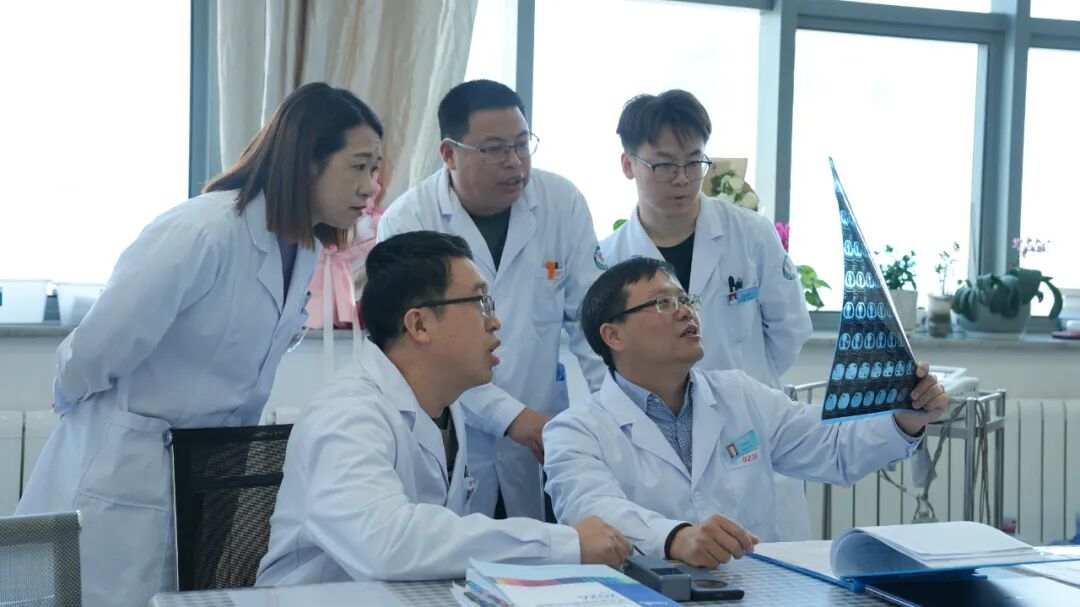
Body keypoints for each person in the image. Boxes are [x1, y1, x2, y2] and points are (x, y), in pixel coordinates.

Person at [16, 83, 384, 607]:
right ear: (306, 161)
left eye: (375, 169)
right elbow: (96, 349)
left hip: (206, 472)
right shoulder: (201, 231)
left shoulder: (302, 249)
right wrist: (89, 413)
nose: (371, 187)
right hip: (123, 470)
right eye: (360, 166)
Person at [257, 231, 630, 585]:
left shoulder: (446, 408)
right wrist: (561, 543)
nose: (495, 321)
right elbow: (387, 545)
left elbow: (438, 546)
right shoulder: (348, 412)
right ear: (419, 324)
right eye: (481, 303)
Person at [543, 257, 948, 567]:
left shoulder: (738, 394)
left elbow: (831, 446)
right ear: (613, 335)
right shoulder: (575, 431)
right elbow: (595, 511)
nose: (686, 311)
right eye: (663, 303)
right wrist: (675, 538)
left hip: (754, 590)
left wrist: (905, 419)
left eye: (686, 300)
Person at [377, 80, 606, 519]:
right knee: (453, 549)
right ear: (449, 154)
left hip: (543, 433)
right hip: (452, 433)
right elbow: (423, 353)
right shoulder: (409, 221)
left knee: (547, 546)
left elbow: (594, 324)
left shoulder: (561, 203)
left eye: (522, 144)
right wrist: (511, 417)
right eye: (495, 149)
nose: (515, 162)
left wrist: (614, 412)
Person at [599, 90, 814, 538]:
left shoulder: (750, 235)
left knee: (769, 568)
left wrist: (743, 383)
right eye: (664, 166)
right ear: (628, 165)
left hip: (748, 437)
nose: (682, 179)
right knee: (672, 553)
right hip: (659, 449)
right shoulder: (610, 259)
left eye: (694, 163)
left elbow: (790, 329)